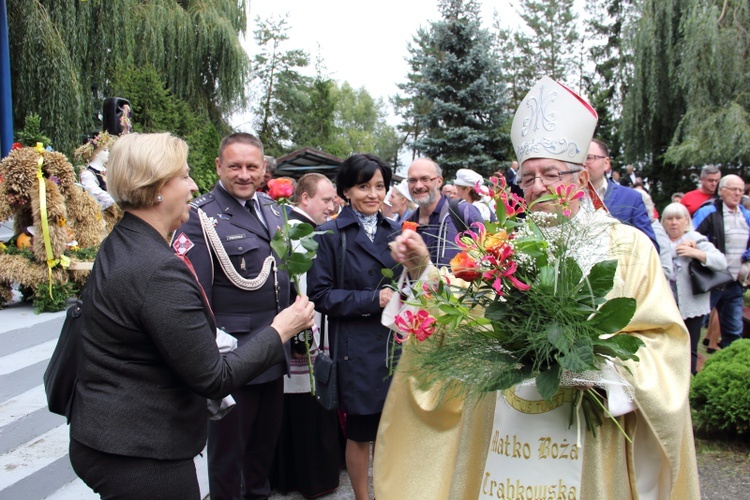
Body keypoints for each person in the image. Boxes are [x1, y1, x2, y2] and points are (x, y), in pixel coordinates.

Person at [374, 76, 699, 499]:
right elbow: (469, 314)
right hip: (508, 425)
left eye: (550, 173)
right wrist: (422, 270)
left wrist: (600, 367)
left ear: (581, 179)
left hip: (589, 422)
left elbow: (663, 341)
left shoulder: (628, 246)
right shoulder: (504, 243)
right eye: (527, 178)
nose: (539, 186)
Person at [68, 132, 314, 499]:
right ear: (156, 189)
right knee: (229, 467)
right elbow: (214, 376)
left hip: (113, 434)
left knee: (259, 461)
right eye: (183, 176)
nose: (193, 184)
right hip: (140, 451)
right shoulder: (159, 269)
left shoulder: (125, 240)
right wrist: (280, 329)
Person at [172, 133, 293, 499]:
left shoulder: (273, 210)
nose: (244, 174)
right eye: (235, 166)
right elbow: (198, 297)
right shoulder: (200, 217)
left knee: (261, 457)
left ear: (263, 169)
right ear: (218, 166)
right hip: (233, 359)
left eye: (251, 166)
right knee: (228, 463)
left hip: (274, 352)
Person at [306, 154, 402, 500]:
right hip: (356, 349)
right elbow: (319, 295)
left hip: (397, 344)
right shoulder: (329, 234)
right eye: (364, 186)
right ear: (346, 190)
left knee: (393, 429)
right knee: (361, 432)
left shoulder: (398, 232)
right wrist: (370, 300)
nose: (373, 194)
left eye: (379, 186)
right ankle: (363, 497)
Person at [271, 173, 342, 498]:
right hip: (303, 332)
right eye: (326, 200)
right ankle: (312, 478)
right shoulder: (296, 231)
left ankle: (291, 475)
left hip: (310, 326)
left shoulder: (308, 229)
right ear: (304, 199)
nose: (332, 206)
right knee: (305, 403)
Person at [661, 203, 726, 374]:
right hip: (665, 304)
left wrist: (697, 254)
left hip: (692, 305)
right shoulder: (659, 240)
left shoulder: (696, 238)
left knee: (690, 347)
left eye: (678, 218)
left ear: (686, 221)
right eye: (670, 219)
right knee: (667, 348)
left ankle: (689, 384)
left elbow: (721, 262)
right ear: (664, 222)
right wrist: (677, 250)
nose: (674, 223)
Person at [693, 174, 750, 349]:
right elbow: (692, 238)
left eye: (741, 190)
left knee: (734, 330)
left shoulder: (746, 215)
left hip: (734, 282)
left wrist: (747, 260)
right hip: (710, 280)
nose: (737, 193)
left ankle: (733, 369)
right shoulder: (707, 211)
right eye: (733, 189)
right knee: (696, 326)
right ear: (722, 190)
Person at [403, 158, 483, 267]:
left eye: (425, 179)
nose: (418, 186)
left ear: (439, 181)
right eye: (412, 180)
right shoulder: (406, 224)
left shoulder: (463, 213)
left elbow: (487, 259)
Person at [585, 139, 658, 249]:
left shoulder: (631, 198)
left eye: (589, 158)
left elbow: (650, 247)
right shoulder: (563, 197)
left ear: (606, 163)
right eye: (578, 159)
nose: (583, 164)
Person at [75, 131, 116, 210]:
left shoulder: (108, 169)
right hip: (103, 213)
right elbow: (94, 192)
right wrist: (116, 201)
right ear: (96, 153)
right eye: (104, 150)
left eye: (107, 150)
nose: (108, 153)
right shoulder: (88, 174)